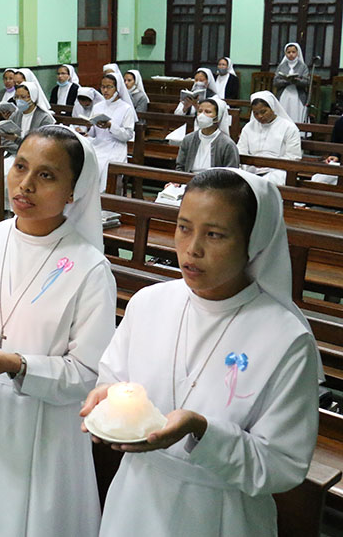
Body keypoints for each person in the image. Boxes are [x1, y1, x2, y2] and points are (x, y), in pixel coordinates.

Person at [81, 168, 320, 536]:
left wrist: (202, 432)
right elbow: (115, 378)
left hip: (221, 513)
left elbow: (283, 465)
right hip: (136, 499)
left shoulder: (286, 338)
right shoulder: (149, 303)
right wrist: (106, 397)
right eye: (183, 227)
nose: (192, 248)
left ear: (253, 242)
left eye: (214, 234)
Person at [0, 125, 116, 536]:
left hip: (45, 435)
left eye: (46, 176)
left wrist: (17, 366)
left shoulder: (88, 268)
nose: (26, 185)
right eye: (20, 167)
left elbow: (89, 374)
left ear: (74, 192)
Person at [236, 91, 302, 185]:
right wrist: (250, 164)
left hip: (278, 170)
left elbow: (293, 157)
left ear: (272, 108)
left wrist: (268, 164)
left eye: (263, 112)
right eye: (255, 113)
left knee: (265, 183)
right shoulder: (248, 127)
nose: (260, 116)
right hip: (251, 169)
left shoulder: (288, 127)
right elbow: (241, 150)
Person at [89, 72, 136, 192]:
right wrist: (88, 131)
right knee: (84, 161)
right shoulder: (97, 106)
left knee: (103, 166)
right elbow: (93, 132)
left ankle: (107, 202)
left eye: (109, 87)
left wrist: (111, 126)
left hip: (116, 147)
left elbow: (128, 135)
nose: (105, 90)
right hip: (98, 145)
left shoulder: (126, 108)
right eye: (103, 87)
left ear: (117, 88)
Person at [175, 98, 239, 172]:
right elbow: (180, 167)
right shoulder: (188, 139)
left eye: (207, 112)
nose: (202, 115)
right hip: (189, 180)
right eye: (200, 111)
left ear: (217, 117)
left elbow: (231, 173)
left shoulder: (227, 144)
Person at [0, 81, 55, 152]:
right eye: (17, 97)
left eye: (23, 97)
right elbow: (5, 140)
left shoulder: (44, 118)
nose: (19, 100)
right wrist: (19, 150)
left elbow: (43, 144)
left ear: (33, 97)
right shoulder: (16, 115)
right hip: (14, 153)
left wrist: (18, 142)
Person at [273, 43, 310, 124]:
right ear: (285, 53)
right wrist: (287, 81)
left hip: (298, 96)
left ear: (298, 53)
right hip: (283, 95)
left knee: (296, 114)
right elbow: (276, 82)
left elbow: (307, 82)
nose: (291, 54)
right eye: (288, 52)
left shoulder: (303, 67)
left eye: (293, 52)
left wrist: (296, 80)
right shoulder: (281, 66)